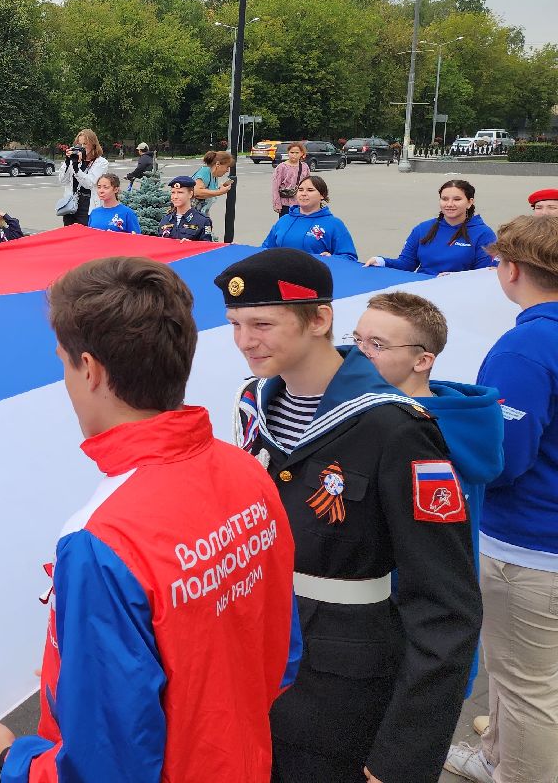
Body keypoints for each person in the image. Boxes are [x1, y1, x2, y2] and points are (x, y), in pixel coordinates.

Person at [0, 256, 298, 783]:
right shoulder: (246, 470)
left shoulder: (99, 540)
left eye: (62, 362)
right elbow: (282, 652)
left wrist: (8, 761)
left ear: (91, 370)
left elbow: (103, 766)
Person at [217, 248, 482, 783]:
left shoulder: (396, 429)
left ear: (319, 319)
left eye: (262, 323)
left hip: (342, 692)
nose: (245, 341)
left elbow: (446, 606)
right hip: (253, 670)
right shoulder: (254, 404)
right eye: (236, 324)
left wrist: (402, 757)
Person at [445, 216, 558, 783]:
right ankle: (498, 760)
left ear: (512, 270)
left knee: (525, 686)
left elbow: (505, 459)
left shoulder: (528, 345)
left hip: (531, 545)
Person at [353, 292, 503, 701]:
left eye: (377, 345)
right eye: (357, 339)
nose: (358, 354)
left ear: (423, 361)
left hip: (415, 635)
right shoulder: (389, 414)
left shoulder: (418, 438)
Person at [363, 179, 497, 275]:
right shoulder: (422, 229)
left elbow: (485, 275)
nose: (449, 204)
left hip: (460, 293)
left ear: (469, 202)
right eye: (444, 199)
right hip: (423, 293)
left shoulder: (484, 234)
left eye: (457, 199)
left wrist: (456, 279)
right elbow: (406, 264)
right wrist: (381, 261)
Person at [260, 176, 358, 260]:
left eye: (310, 190)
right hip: (282, 277)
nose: (303, 193)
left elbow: (349, 257)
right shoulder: (284, 220)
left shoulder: (334, 224)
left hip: (314, 279)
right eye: (300, 190)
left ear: (322, 195)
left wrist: (332, 258)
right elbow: (265, 249)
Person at [57, 130, 108, 226]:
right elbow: (63, 180)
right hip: (72, 202)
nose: (82, 147)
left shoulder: (101, 162)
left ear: (93, 144)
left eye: (85, 144)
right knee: (69, 233)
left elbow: (89, 183)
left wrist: (76, 169)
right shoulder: (74, 159)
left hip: (88, 203)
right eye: (79, 144)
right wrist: (68, 162)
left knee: (85, 234)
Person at [158, 175, 213, 242]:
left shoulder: (202, 221)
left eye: (180, 192)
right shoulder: (165, 220)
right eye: (173, 192)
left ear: (190, 194)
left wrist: (191, 245)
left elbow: (207, 248)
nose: (175, 197)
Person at [271, 143, 310, 216]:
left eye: (297, 153)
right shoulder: (281, 167)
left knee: (301, 225)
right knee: (286, 226)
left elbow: (309, 185)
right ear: (288, 153)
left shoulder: (305, 167)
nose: (294, 155)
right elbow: (275, 187)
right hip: (285, 204)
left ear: (302, 153)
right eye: (292, 152)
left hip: (301, 203)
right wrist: (277, 204)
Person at [194, 150, 234, 215]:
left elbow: (209, 192)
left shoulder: (214, 175)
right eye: (227, 167)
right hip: (190, 217)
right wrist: (220, 192)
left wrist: (222, 187)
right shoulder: (205, 172)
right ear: (218, 164)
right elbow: (196, 192)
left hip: (200, 214)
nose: (227, 170)